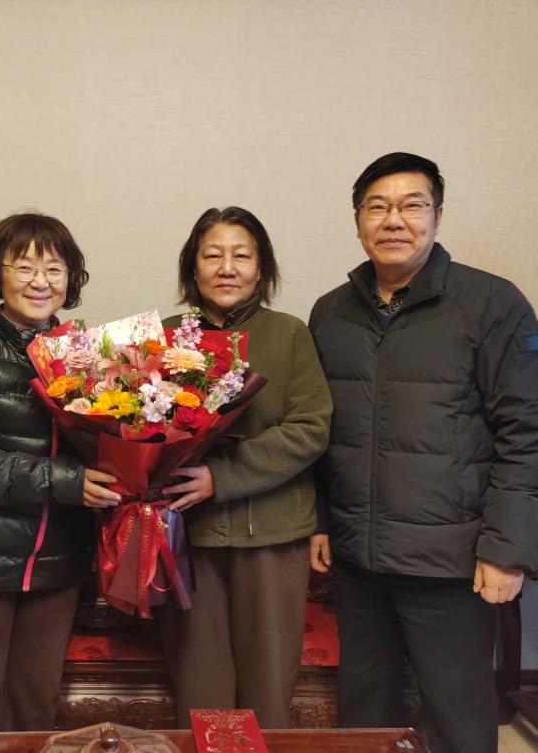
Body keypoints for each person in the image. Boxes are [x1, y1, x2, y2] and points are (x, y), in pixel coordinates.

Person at [308, 152, 538, 753]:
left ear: (437, 216)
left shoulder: (491, 303)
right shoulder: (331, 312)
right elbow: (318, 431)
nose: (394, 220)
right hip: (358, 556)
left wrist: (507, 550)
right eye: (377, 206)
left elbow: (530, 432)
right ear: (358, 220)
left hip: (451, 560)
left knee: (455, 714)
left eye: (411, 205)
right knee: (365, 714)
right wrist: (321, 521)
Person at [0, 213, 121, 732]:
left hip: (57, 561)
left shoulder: (89, 356)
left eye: (54, 268)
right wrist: (67, 481)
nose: (41, 281)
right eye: (25, 266)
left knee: (35, 710)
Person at [157, 206, 332, 728]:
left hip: (273, 535)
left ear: (261, 267)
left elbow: (311, 428)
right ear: (193, 267)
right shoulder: (165, 338)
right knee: (199, 686)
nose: (227, 267)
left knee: (268, 686)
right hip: (188, 536)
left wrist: (222, 477)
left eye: (242, 255)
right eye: (212, 255)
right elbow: (137, 425)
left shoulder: (289, 334)